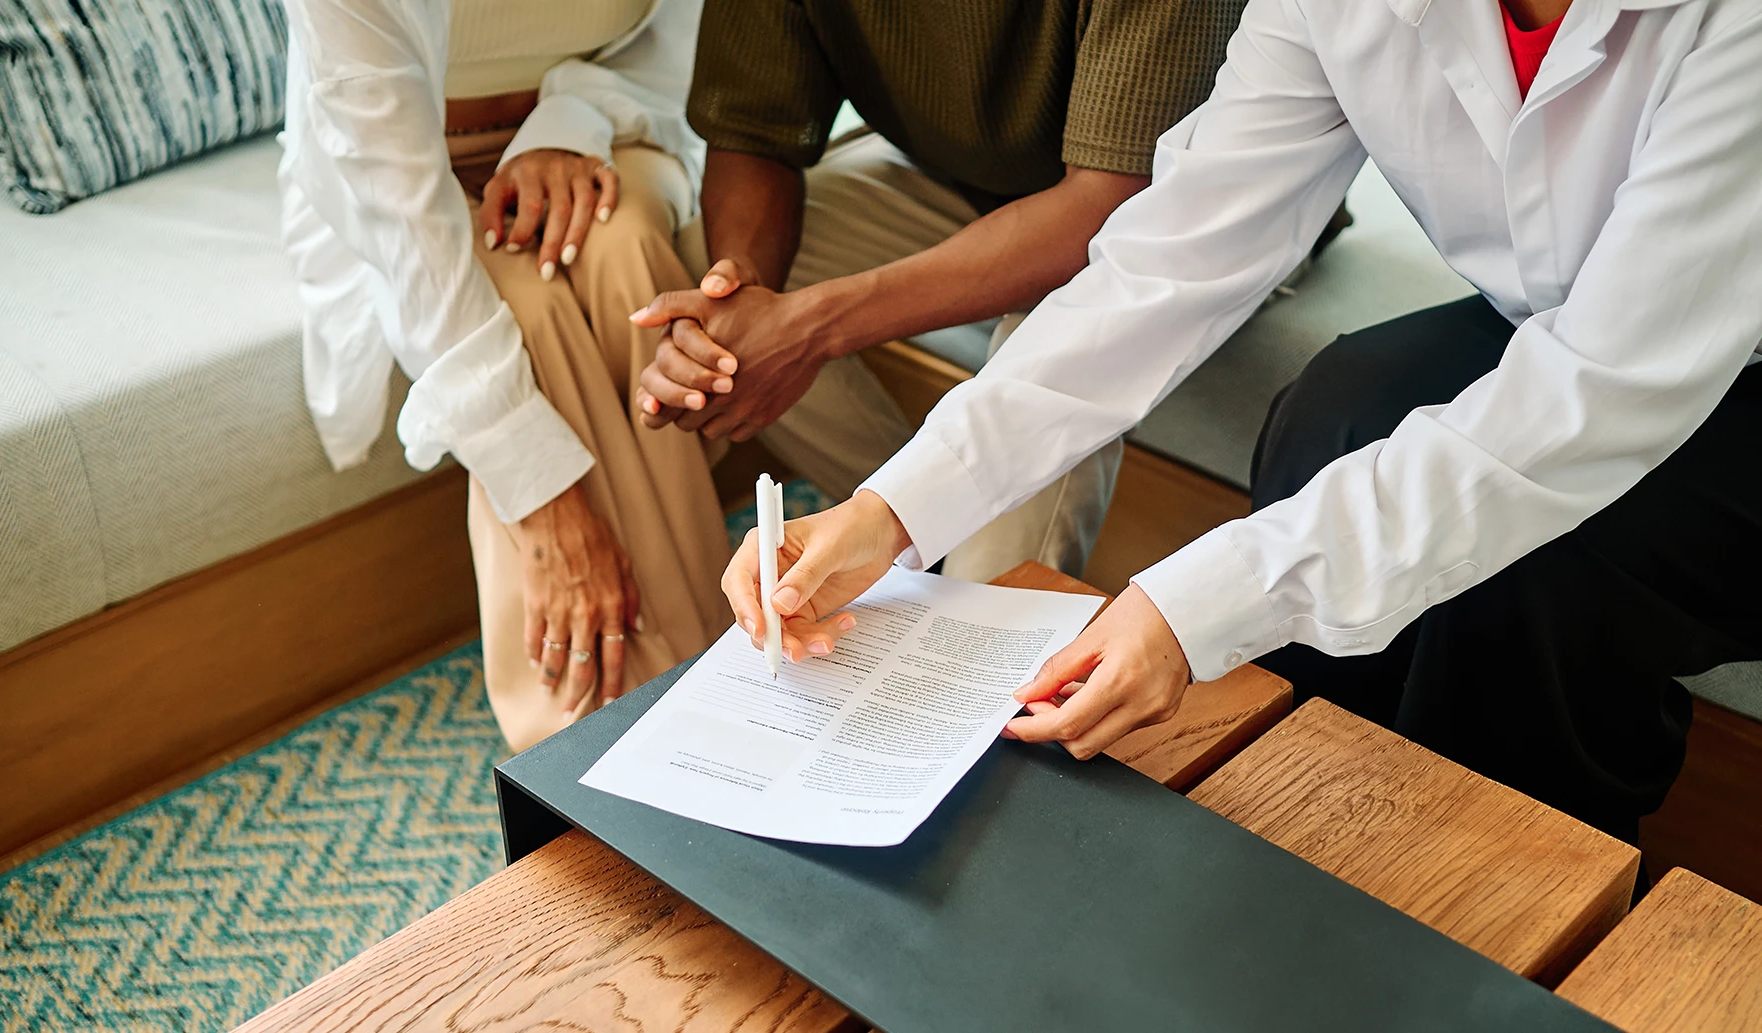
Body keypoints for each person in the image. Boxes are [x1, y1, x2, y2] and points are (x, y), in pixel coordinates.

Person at [720, 0, 1762, 844]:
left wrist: (1193, 610)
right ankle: (1316, 837)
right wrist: (892, 511)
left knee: (1553, 557)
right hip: (1561, 314)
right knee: (1333, 415)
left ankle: (1511, 897)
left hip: (1714, 365)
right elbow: (1173, 257)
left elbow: (1598, 389)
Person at [622, 0, 1260, 581]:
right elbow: (750, 130)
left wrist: (812, 328)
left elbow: (1112, 205)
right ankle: (907, 536)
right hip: (952, 179)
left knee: (1044, 341)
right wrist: (737, 298)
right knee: (708, 264)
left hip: (1169, 208)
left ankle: (980, 625)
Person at [278, 0, 729, 751]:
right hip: (399, 163)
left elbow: (684, 43)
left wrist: (564, 129)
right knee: (529, 311)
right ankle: (627, 715)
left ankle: (670, 705)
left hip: (603, 115)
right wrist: (547, 506)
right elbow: (403, 215)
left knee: (625, 261)